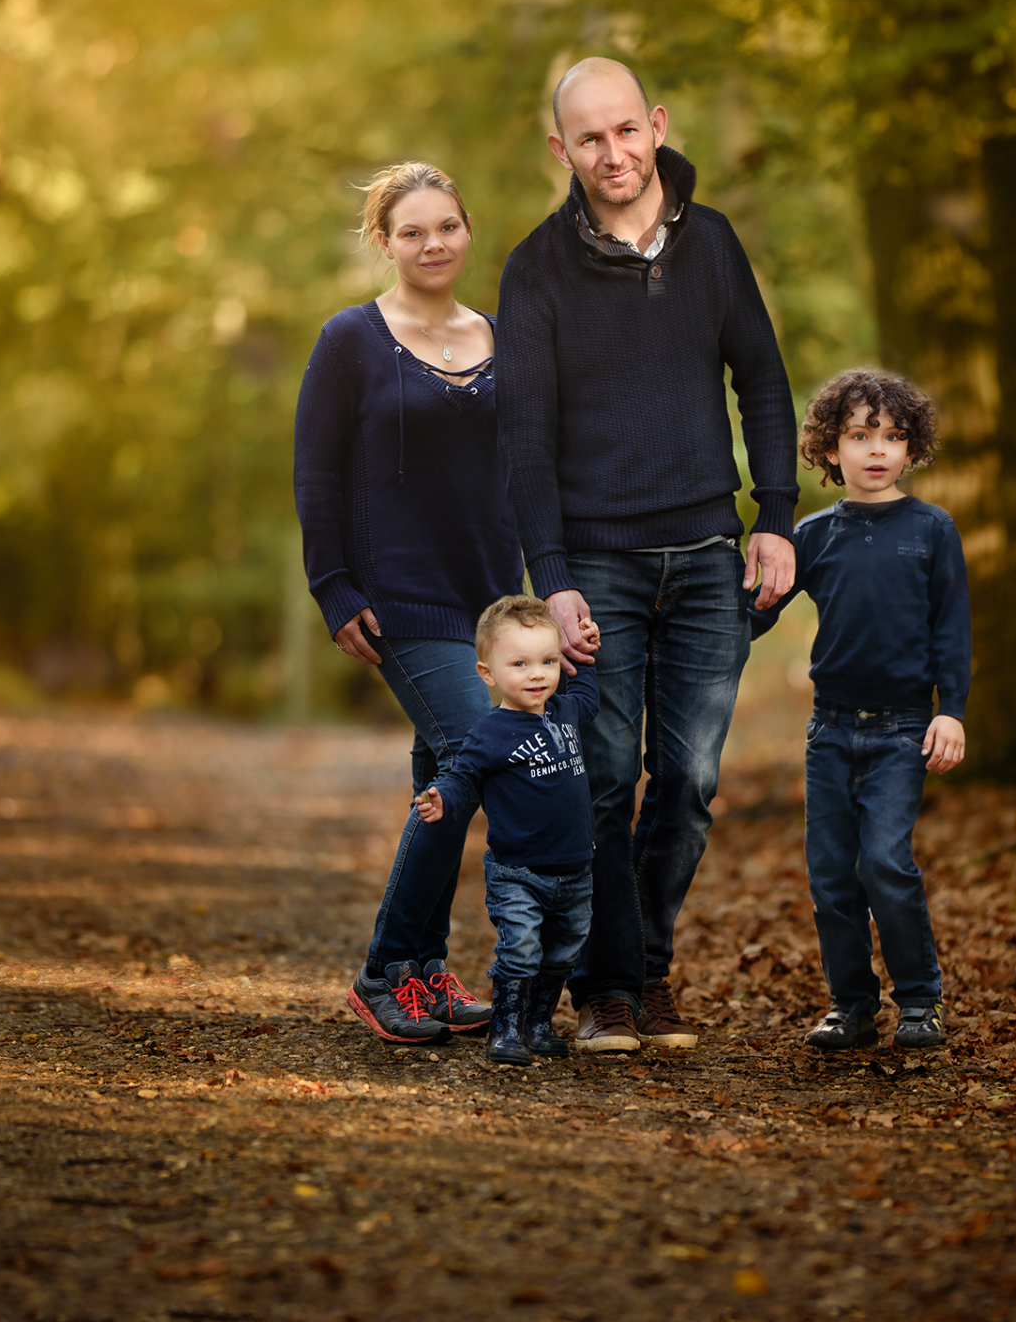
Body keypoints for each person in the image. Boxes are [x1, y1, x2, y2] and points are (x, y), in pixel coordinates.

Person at [497, 56, 799, 1053]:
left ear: (657, 125)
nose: (613, 152)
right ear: (563, 150)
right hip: (599, 565)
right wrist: (554, 580)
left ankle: (646, 968)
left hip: (710, 556)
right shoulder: (536, 268)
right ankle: (610, 989)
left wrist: (775, 516)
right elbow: (525, 439)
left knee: (688, 785)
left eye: (627, 129)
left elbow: (763, 382)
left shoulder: (711, 244)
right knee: (600, 777)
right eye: (590, 137)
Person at [293, 161, 522, 1044]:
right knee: (475, 752)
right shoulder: (350, 339)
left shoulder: (502, 338)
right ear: (385, 242)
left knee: (443, 778)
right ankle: (385, 969)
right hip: (398, 592)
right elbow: (316, 474)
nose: (434, 244)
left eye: (447, 227)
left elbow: (529, 469)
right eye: (413, 231)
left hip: (488, 595)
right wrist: (333, 585)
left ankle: (425, 976)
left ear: (468, 231)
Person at [750, 368, 970, 1051]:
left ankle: (920, 1000)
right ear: (830, 448)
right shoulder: (814, 535)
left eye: (894, 437)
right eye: (859, 435)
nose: (877, 450)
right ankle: (851, 1005)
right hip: (830, 731)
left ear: (912, 449)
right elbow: (757, 613)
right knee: (831, 876)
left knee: (884, 863)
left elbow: (952, 629)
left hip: (904, 729)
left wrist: (952, 710)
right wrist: (726, 598)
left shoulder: (932, 529)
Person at [415, 595, 602, 1066]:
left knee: (562, 954)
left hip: (576, 869)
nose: (537, 674)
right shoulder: (491, 731)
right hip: (518, 871)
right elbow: (463, 775)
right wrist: (443, 797)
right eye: (520, 664)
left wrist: (587, 654)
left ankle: (537, 1025)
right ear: (488, 673)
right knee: (520, 950)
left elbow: (589, 697)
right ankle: (505, 1030)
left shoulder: (564, 711)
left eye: (548, 661)